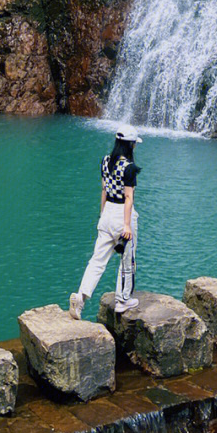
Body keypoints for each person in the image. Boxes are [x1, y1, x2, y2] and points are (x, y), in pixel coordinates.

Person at [69, 127, 141, 319]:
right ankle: (122, 300)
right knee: (127, 261)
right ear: (130, 145)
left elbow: (104, 190)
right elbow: (128, 197)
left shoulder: (105, 161)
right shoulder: (129, 168)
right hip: (122, 216)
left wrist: (101, 215)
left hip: (107, 213)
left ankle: (80, 298)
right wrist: (126, 225)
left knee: (97, 261)